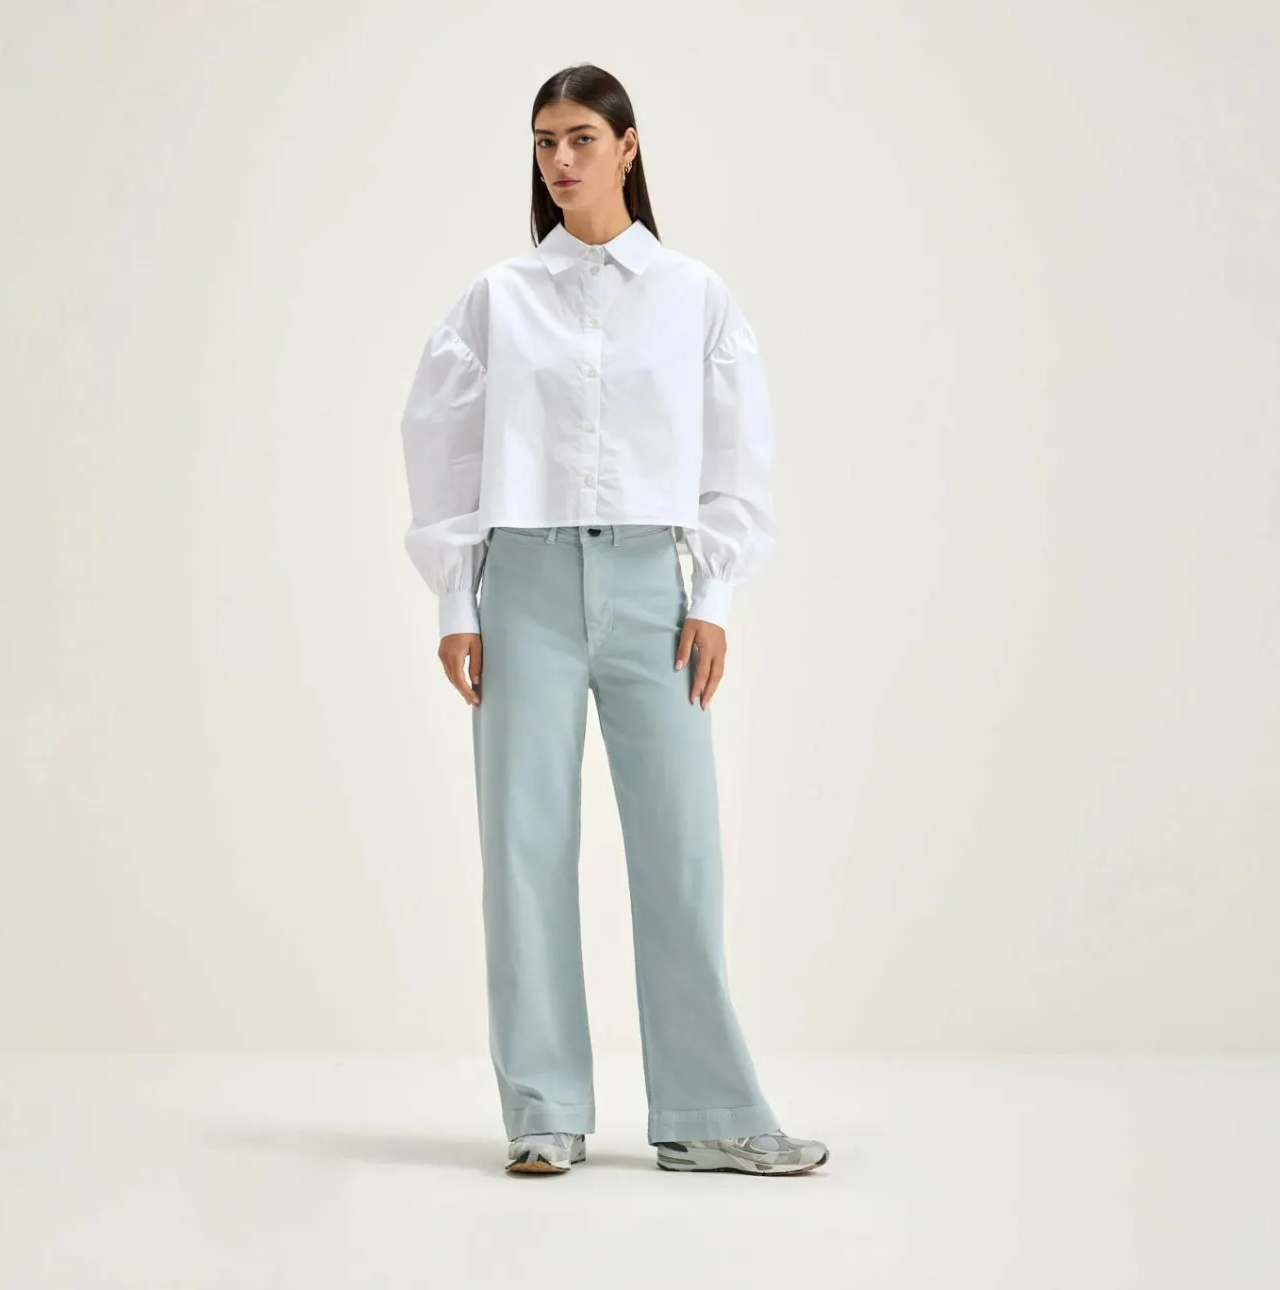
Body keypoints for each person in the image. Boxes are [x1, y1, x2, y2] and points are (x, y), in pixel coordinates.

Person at [398, 63, 828, 1178]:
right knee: (523, 849)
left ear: (628, 146)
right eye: (545, 141)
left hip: (653, 587)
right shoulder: (497, 298)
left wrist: (714, 598)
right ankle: (544, 1111)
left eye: (582, 137)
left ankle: (707, 1113)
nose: (561, 159)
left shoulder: (694, 294)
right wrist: (455, 598)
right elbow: (442, 445)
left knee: (681, 853)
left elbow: (736, 452)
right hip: (524, 585)